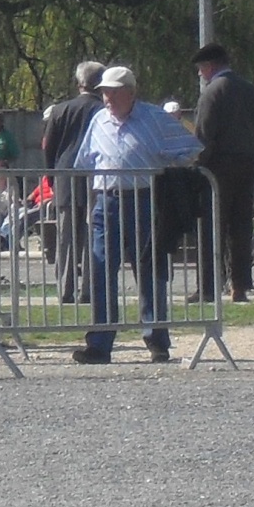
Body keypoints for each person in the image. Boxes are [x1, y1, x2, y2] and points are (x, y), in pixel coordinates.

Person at [71, 66, 203, 365]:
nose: (108, 97)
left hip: (144, 201)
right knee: (102, 271)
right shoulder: (98, 120)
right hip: (106, 202)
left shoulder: (154, 118)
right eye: (104, 91)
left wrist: (171, 173)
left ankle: (157, 341)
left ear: (131, 92)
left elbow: (192, 149)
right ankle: (100, 344)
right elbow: (84, 162)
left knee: (149, 272)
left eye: (114, 91)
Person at [192, 43, 254, 303]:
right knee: (241, 226)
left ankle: (209, 287)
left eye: (201, 69)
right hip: (246, 164)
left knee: (211, 226)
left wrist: (199, 165)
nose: (201, 74)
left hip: (217, 167)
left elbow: (203, 135)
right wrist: (252, 157)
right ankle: (240, 285)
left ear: (210, 66)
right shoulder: (251, 90)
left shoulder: (212, 93)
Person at [42, 61, 105, 303]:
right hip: (96, 178)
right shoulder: (103, 111)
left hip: (65, 178)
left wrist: (52, 177)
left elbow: (50, 148)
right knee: (93, 235)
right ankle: (89, 290)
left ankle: (65, 290)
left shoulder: (60, 110)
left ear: (78, 83)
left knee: (65, 238)